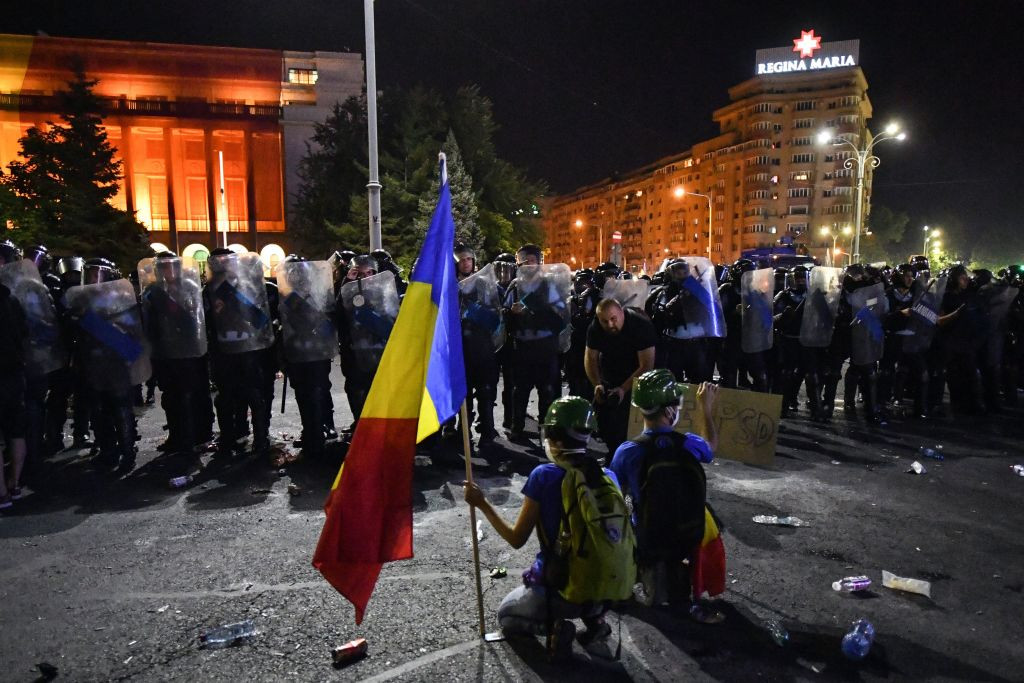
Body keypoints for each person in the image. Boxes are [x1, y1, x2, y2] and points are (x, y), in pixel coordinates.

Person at [463, 397, 633, 659]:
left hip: (562, 590)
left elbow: (516, 539)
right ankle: (596, 620)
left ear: (554, 438)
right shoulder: (608, 476)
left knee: (506, 615)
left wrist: (482, 504)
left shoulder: (544, 476)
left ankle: (554, 627)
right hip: (607, 588)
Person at [609, 369, 724, 623]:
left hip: (649, 536)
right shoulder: (689, 444)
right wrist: (706, 408)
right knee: (711, 516)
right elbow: (711, 447)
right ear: (670, 410)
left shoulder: (627, 452)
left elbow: (616, 497)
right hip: (687, 534)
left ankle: (635, 574)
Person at [503, 244, 568, 441]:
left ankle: (545, 428)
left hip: (545, 345)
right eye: (525, 261)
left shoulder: (549, 285)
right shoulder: (515, 286)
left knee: (547, 390)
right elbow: (503, 312)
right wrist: (511, 312)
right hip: (522, 345)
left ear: (539, 262)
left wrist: (539, 309)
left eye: (532, 260)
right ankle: (517, 426)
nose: (529, 265)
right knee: (520, 390)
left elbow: (562, 312)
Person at [584, 298, 656, 454]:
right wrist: (597, 384)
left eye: (613, 319)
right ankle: (612, 452)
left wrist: (623, 389)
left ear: (622, 313)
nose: (610, 325)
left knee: (628, 424)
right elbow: (590, 358)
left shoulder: (640, 325)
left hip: (638, 376)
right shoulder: (595, 327)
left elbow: (646, 365)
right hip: (610, 371)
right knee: (605, 420)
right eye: (604, 321)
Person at [0, 278, 29, 508]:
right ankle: (15, 483)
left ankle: (2, 493)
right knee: (16, 431)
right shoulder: (11, 300)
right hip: (15, 373)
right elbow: (25, 332)